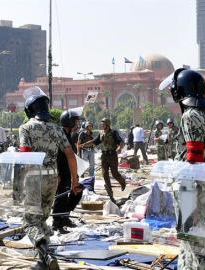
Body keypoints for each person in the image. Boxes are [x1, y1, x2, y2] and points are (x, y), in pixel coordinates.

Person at [164, 68, 205, 270]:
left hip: (188, 188)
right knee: (195, 239)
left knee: (193, 242)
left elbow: (194, 156)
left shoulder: (190, 116)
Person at [19, 86, 81, 269]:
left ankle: (45, 253)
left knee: (29, 221)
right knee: (43, 219)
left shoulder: (26, 128)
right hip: (53, 179)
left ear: (31, 109)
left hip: (34, 178)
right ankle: (42, 262)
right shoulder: (56, 129)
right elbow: (70, 155)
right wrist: (74, 182)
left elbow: (25, 156)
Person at [80, 118, 126, 203]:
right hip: (104, 155)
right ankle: (110, 192)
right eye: (102, 124)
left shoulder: (113, 133)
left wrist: (119, 148)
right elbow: (94, 141)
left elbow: (121, 142)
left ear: (108, 124)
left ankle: (122, 181)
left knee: (114, 173)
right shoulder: (101, 133)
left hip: (112, 154)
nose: (102, 125)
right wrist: (84, 144)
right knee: (104, 174)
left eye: (104, 124)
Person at [53, 109, 83, 234]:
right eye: (75, 121)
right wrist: (57, 174)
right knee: (61, 197)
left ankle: (65, 216)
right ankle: (57, 222)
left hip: (69, 171)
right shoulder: (60, 135)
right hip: (61, 171)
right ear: (69, 122)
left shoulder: (69, 136)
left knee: (77, 191)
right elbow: (54, 155)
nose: (77, 124)